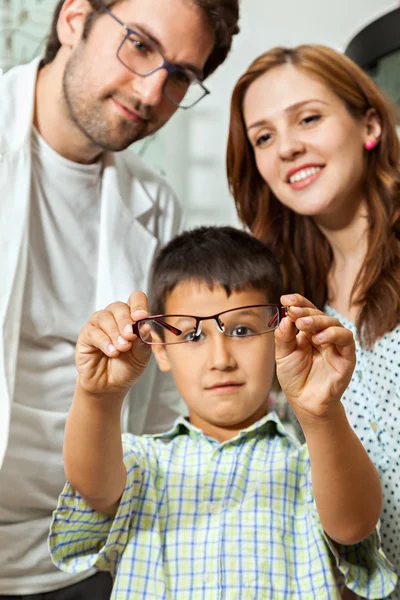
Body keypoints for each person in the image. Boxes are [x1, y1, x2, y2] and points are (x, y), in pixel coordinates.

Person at [0, 0, 239, 597]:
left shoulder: (156, 207)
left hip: (89, 557)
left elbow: (158, 409)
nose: (154, 91)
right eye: (140, 44)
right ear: (75, 19)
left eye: (181, 75)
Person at [48, 226, 397, 599]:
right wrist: (98, 396)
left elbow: (354, 525)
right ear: (161, 350)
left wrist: (322, 413)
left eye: (243, 330)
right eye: (193, 336)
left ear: (280, 332)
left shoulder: (312, 463)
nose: (221, 360)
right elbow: (93, 486)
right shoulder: (143, 463)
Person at [226, 44, 400, 597]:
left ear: (369, 124)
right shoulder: (279, 307)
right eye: (264, 136)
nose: (288, 147)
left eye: (308, 118)